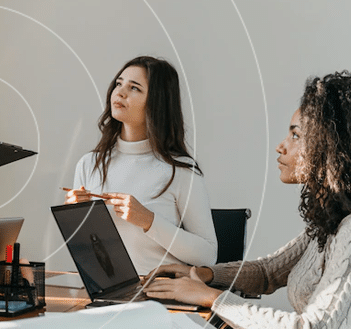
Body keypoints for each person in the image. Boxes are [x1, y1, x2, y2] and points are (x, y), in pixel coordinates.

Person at [144, 71, 351, 328]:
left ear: (330, 147)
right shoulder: (328, 222)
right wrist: (203, 274)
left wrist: (212, 297)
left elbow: (312, 327)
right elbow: (268, 272)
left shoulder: (348, 232)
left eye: (295, 136)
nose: (281, 146)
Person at [63, 56, 217, 274]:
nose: (120, 92)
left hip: (160, 290)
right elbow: (84, 250)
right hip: (102, 290)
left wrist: (148, 220)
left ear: (157, 102)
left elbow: (207, 255)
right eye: (119, 84)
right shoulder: (89, 164)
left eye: (134, 88)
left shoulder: (181, 171)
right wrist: (74, 217)